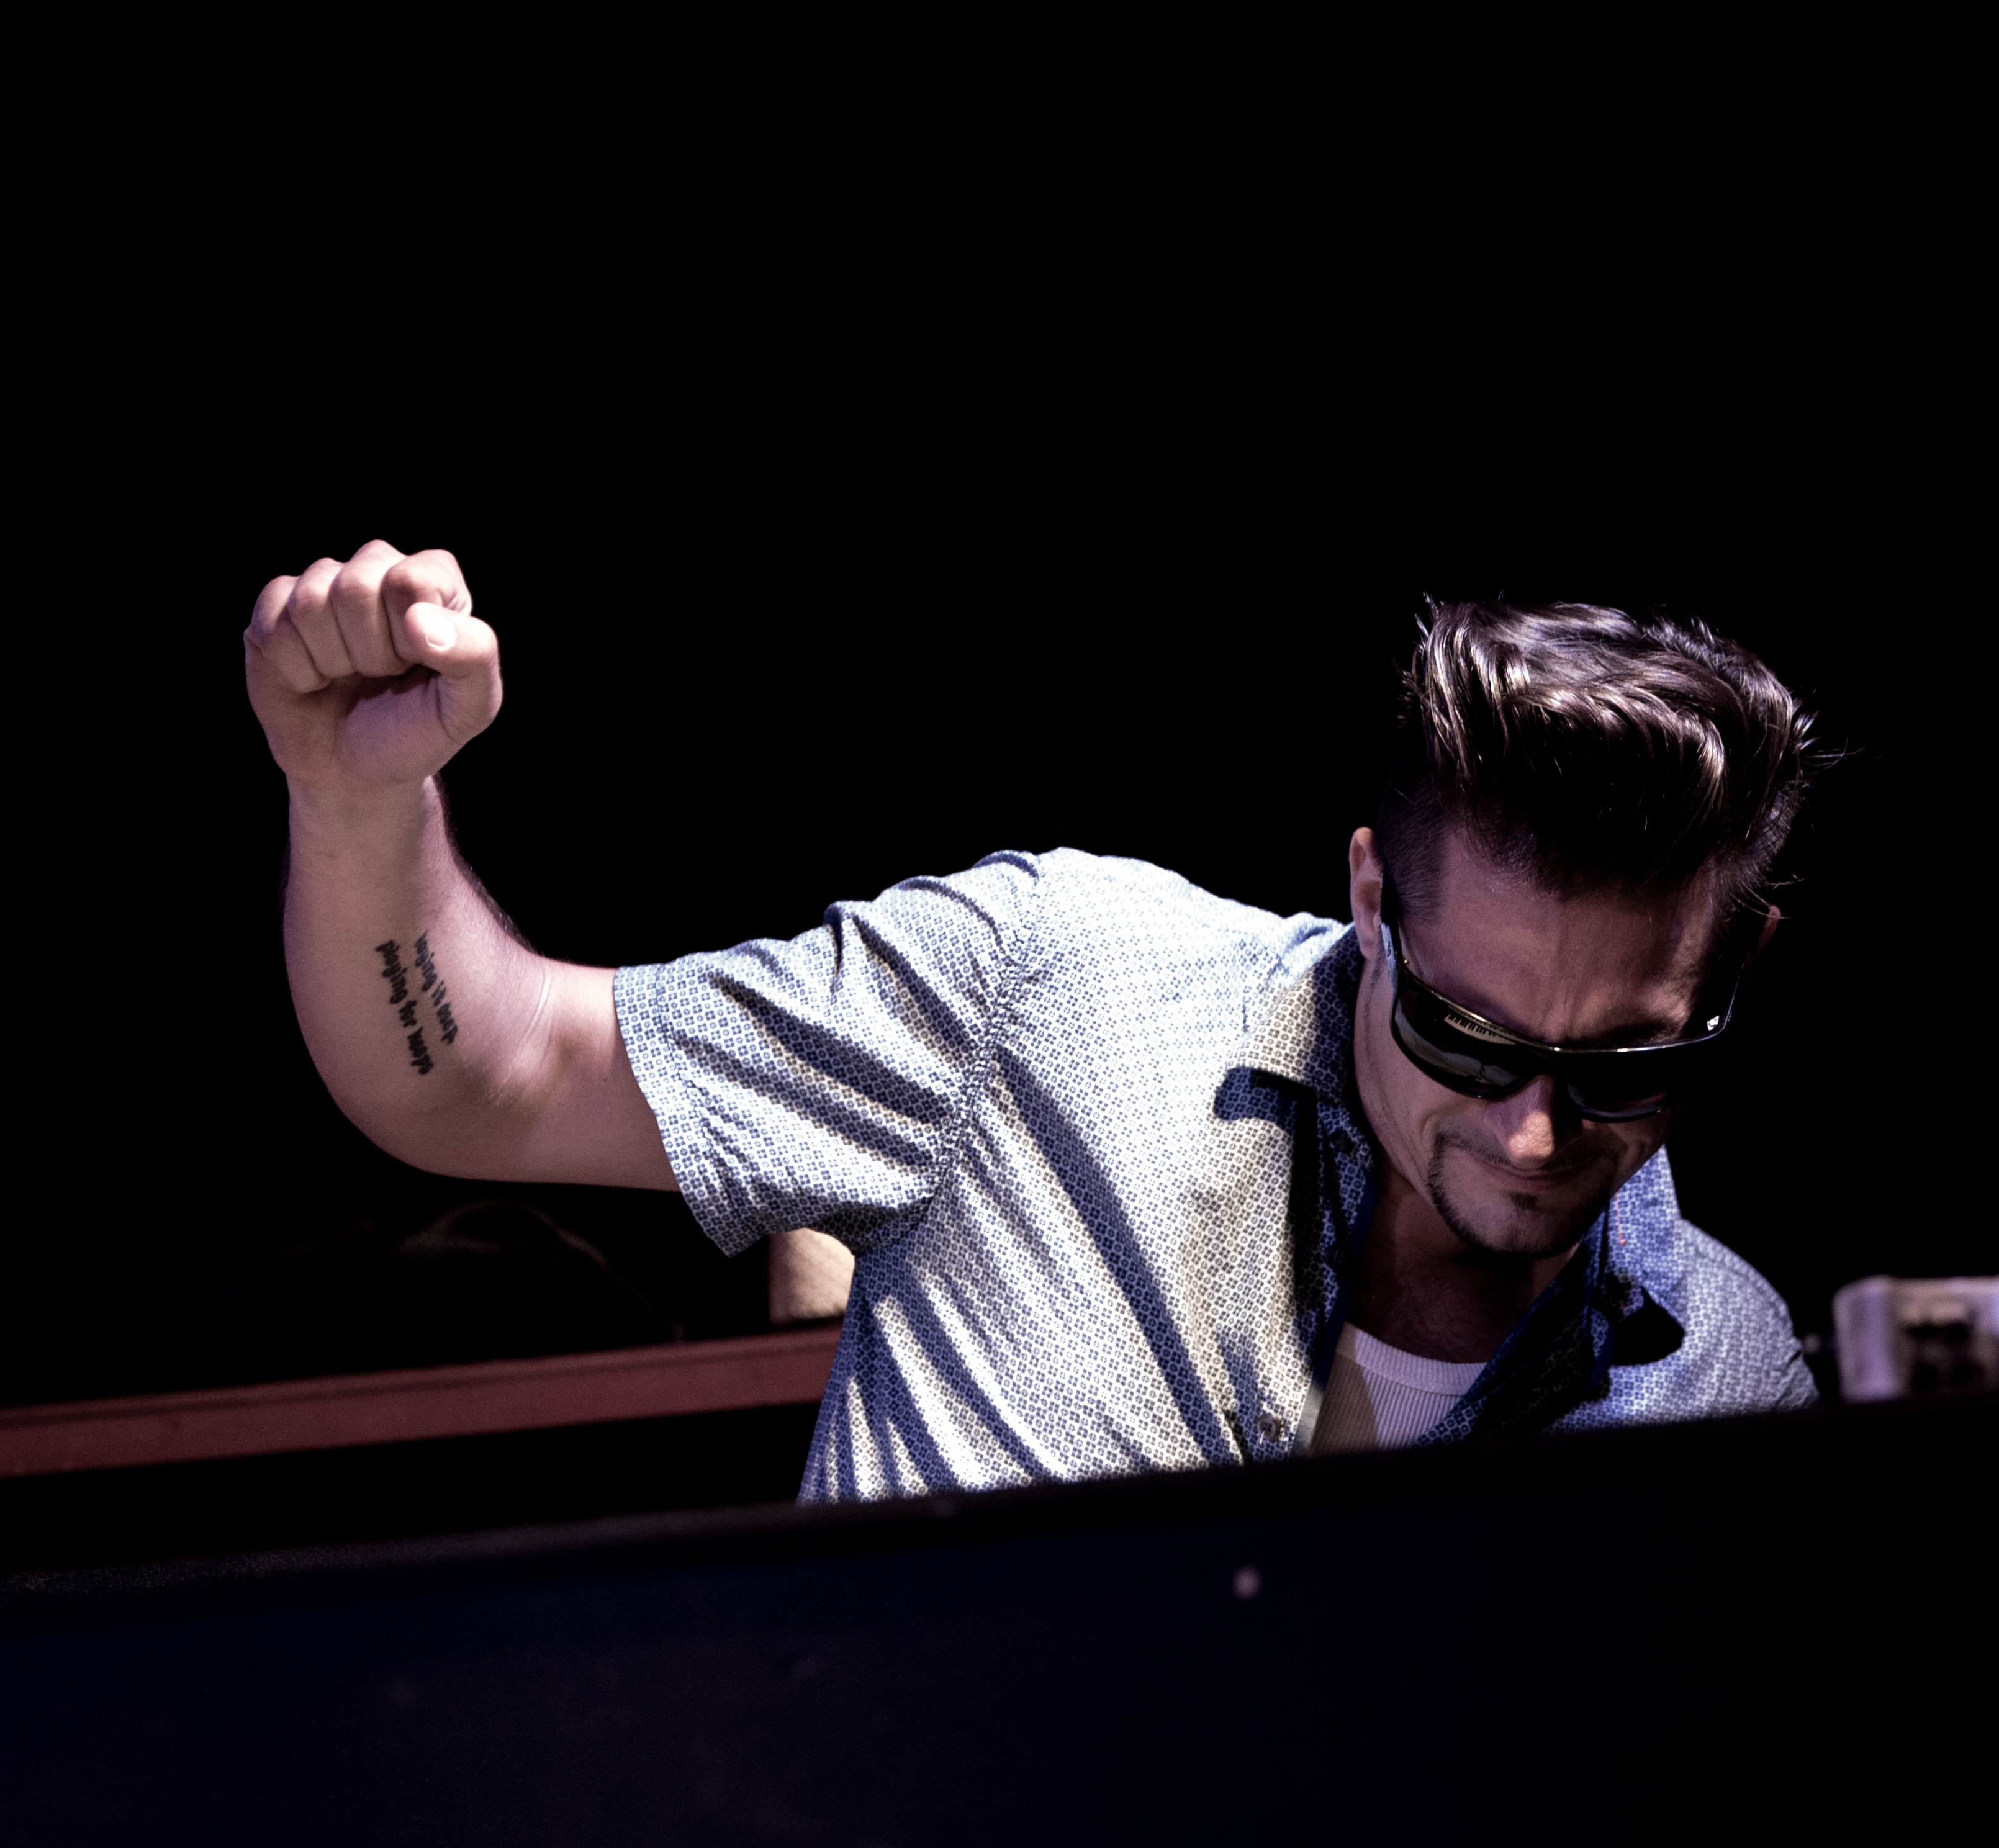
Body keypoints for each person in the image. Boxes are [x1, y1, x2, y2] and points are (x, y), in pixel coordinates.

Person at [245, 542, 1825, 1500]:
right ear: (1369, 896)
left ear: (1739, 968)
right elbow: (484, 1074)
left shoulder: (1734, 1380)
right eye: (1466, 1036)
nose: (1535, 1130)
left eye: (1627, 1066)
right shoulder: (1052, 988)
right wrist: (358, 801)